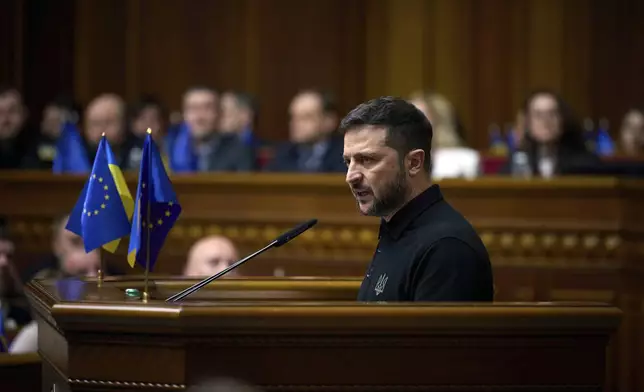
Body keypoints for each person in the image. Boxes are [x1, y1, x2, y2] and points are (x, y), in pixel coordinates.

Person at [340, 96, 493, 302]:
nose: (351, 176)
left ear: (413, 162)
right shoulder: (397, 228)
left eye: (367, 160)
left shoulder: (446, 249)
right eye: (348, 162)